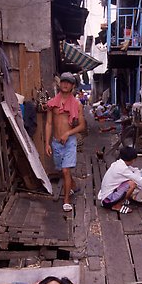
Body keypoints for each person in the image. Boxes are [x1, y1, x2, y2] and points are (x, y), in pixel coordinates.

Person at [45, 72, 86, 212]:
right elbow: (49, 124)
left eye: (68, 82)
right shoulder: (52, 103)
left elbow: (82, 125)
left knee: (66, 169)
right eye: (63, 81)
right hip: (56, 142)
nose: (65, 84)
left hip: (69, 142)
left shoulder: (77, 104)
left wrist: (68, 133)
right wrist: (47, 143)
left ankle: (66, 200)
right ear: (60, 83)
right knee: (62, 170)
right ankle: (73, 186)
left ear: (73, 86)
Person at [97, 146, 142, 213]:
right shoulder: (123, 169)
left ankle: (119, 200)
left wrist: (136, 171)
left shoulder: (117, 163)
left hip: (104, 196)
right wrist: (138, 172)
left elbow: (132, 170)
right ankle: (117, 205)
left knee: (129, 181)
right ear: (133, 159)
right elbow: (141, 182)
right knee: (132, 184)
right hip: (108, 200)